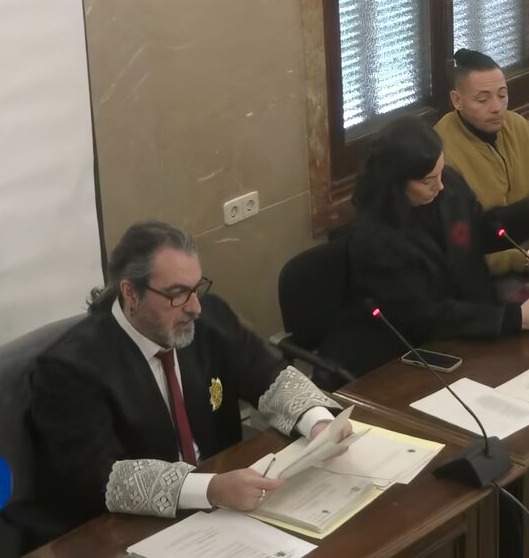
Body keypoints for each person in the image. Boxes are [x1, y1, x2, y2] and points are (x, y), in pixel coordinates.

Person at [28, 220, 350, 541]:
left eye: (196, 288)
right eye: (178, 294)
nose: (195, 307)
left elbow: (268, 375)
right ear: (130, 293)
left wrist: (319, 423)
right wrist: (210, 488)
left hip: (230, 508)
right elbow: (101, 477)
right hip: (134, 530)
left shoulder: (210, 318)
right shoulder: (69, 369)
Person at [320, 117, 529, 378]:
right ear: (396, 183)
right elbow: (424, 316)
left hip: (471, 325)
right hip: (411, 355)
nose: (440, 186)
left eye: (440, 172)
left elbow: (474, 230)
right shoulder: (376, 239)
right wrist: (514, 318)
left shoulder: (445, 185)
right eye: (427, 181)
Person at [435, 48, 529, 277]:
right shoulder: (442, 152)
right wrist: (522, 260)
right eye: (483, 99)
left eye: (502, 95)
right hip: (484, 276)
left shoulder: (518, 126)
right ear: (457, 100)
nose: (496, 107)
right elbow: (454, 246)